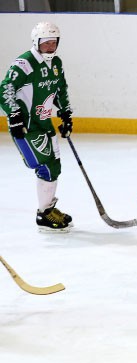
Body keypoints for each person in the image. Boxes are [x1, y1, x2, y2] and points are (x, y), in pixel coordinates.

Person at [0, 22, 74, 232]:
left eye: (54, 42)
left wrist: (66, 113)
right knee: (45, 166)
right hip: (26, 126)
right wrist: (14, 115)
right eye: (46, 42)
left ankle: (47, 210)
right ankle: (43, 214)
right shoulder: (25, 64)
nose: (51, 46)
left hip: (44, 123)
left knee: (55, 166)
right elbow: (5, 89)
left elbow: (60, 89)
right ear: (36, 42)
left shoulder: (56, 63)